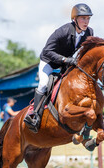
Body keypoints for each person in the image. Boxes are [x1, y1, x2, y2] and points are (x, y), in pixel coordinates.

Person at [24, 3, 94, 133]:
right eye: (83, 18)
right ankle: (34, 116)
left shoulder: (89, 32)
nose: (86, 21)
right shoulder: (63, 31)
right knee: (44, 84)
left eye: (88, 18)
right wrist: (65, 60)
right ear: (75, 19)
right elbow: (47, 51)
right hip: (49, 62)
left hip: (67, 64)